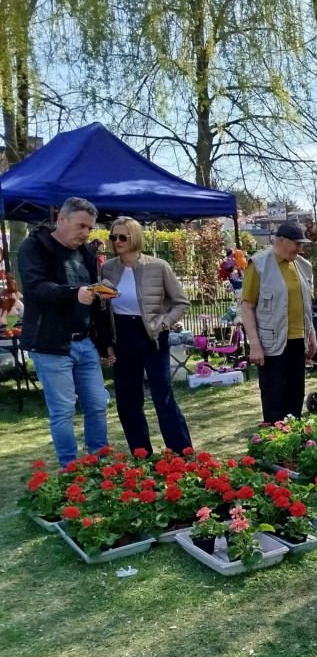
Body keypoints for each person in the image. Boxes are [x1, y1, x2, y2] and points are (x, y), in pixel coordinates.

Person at [19, 197, 113, 466]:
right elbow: (35, 288)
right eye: (81, 226)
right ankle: (69, 469)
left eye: (90, 228)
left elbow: (93, 299)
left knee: (97, 404)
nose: (86, 233)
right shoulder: (34, 246)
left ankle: (100, 465)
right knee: (63, 410)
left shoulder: (86, 252)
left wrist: (104, 340)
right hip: (51, 344)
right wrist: (74, 293)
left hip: (85, 343)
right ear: (61, 218)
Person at [99, 216, 193, 454]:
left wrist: (164, 324)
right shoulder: (107, 268)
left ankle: (182, 454)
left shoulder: (158, 266)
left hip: (152, 337)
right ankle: (141, 456)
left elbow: (181, 303)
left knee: (163, 398)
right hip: (122, 337)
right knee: (127, 401)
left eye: (123, 236)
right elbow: (102, 309)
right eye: (113, 236)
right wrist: (106, 343)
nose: (117, 241)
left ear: (135, 237)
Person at [241, 222, 317, 424]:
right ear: (281, 240)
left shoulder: (302, 265)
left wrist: (311, 334)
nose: (300, 249)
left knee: (295, 396)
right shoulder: (259, 265)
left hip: (297, 341)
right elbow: (247, 307)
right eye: (297, 244)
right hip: (271, 344)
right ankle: (274, 441)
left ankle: (294, 439)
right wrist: (254, 345)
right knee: (274, 397)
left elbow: (305, 305)